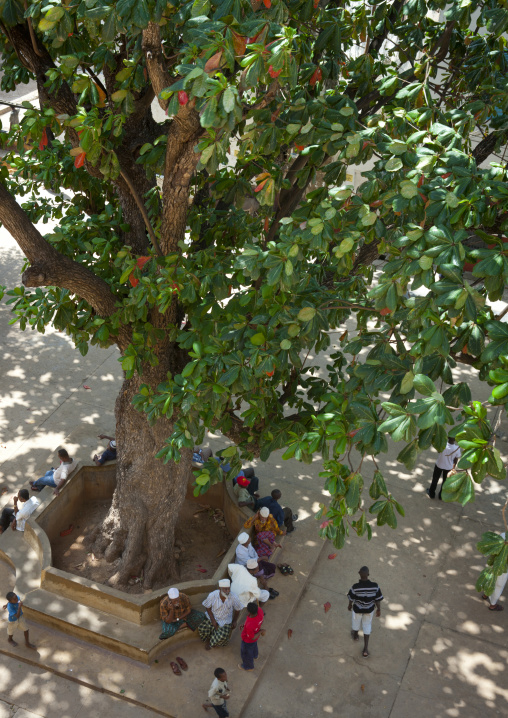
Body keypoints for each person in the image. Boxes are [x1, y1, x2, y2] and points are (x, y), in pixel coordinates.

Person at [348, 566, 383, 658]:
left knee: (356, 622)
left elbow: (351, 598)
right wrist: (378, 609)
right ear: (368, 574)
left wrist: (349, 605)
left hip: (357, 609)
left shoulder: (355, 587)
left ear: (359, 573)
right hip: (369, 610)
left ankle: (355, 636)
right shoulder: (375, 586)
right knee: (367, 626)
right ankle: (365, 650)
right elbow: (377, 600)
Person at [198, 579, 243, 650]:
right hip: (213, 616)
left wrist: (234, 621)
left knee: (222, 636)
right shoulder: (213, 595)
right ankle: (208, 638)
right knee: (201, 627)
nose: (228, 591)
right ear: (219, 588)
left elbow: (238, 609)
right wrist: (213, 620)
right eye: (225, 589)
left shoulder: (234, 597)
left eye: (228, 589)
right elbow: (208, 607)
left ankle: (211, 643)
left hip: (225, 620)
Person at [481, 531, 507, 612]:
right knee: (498, 585)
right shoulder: (504, 535)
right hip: (503, 568)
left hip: (494, 562)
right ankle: (493, 605)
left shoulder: (503, 535)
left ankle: (485, 594)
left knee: (490, 578)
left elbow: (494, 549)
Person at [239, 602, 265, 672]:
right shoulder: (260, 611)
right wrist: (245, 625)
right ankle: (255, 656)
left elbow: (252, 637)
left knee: (246, 653)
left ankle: (248, 666)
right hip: (255, 634)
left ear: (248, 611)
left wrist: (261, 631)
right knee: (254, 646)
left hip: (248, 640)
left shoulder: (250, 625)